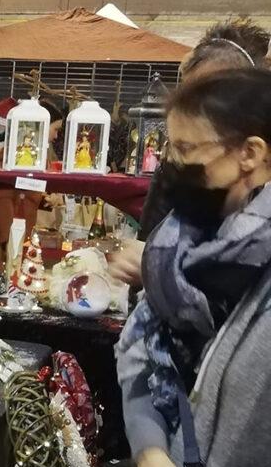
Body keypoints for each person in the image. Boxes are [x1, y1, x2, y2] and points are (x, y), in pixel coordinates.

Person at [117, 68, 271, 467]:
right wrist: (152, 456)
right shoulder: (182, 247)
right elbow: (139, 353)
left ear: (250, 153)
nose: (171, 165)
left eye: (186, 150)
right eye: (171, 147)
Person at [109, 19, 270, 286]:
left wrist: (163, 267)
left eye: (210, 96)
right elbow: (152, 240)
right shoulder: (180, 172)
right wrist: (149, 262)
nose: (192, 109)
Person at [0, 98, 67, 251]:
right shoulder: (12, 155)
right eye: (55, 129)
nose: (56, 136)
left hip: (15, 235)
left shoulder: (38, 157)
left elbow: (26, 191)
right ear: (42, 126)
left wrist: (45, 199)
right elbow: (5, 195)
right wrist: (10, 242)